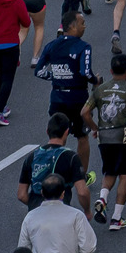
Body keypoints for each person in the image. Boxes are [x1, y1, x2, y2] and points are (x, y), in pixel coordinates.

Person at [88, 54, 126, 232]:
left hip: (105, 138)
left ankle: (103, 198)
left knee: (109, 171)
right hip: (124, 138)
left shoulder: (100, 90)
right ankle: (116, 218)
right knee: (125, 175)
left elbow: (84, 112)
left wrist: (95, 128)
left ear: (111, 71)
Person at [34, 10, 97, 171]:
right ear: (73, 26)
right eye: (82, 23)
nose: (85, 26)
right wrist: (96, 81)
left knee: (57, 137)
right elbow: (86, 72)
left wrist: (56, 76)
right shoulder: (84, 46)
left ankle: (53, 171)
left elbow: (39, 71)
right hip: (78, 99)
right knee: (82, 136)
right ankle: (82, 174)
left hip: (57, 98)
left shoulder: (51, 45)